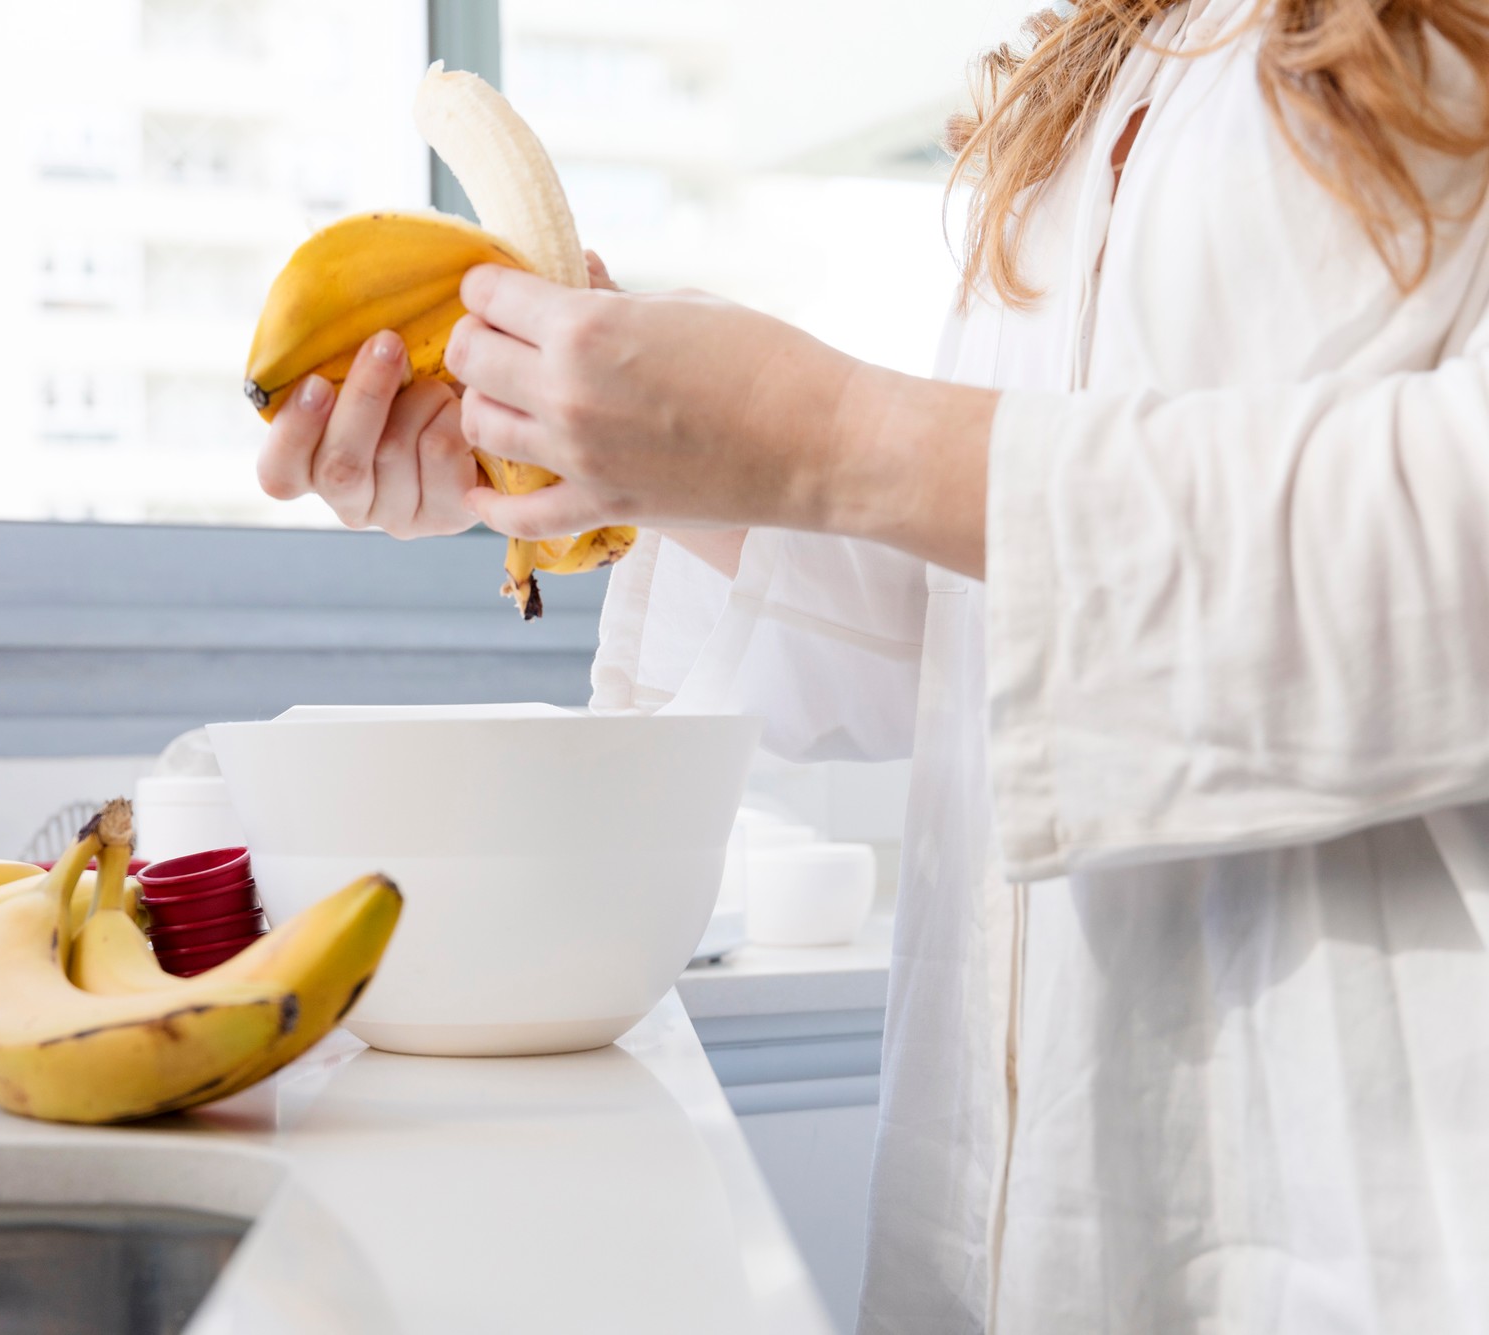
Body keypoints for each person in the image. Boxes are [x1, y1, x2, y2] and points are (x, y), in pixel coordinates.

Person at [254, 0, 1489, 1329]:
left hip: (1372, 1211)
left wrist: (826, 430)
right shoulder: (1124, 54)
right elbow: (1009, 618)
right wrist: (644, 450)